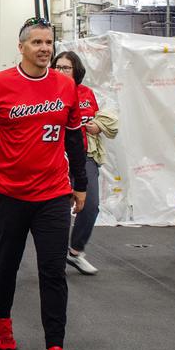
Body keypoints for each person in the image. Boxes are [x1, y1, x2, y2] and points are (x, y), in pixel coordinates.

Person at [0, 18, 87, 350]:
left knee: (53, 272)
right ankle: (3, 323)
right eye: (36, 42)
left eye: (48, 42)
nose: (44, 48)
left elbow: (75, 139)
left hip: (53, 194)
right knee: (7, 265)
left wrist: (80, 184)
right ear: (21, 47)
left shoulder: (66, 86)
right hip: (10, 195)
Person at [52, 51, 117, 276]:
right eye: (57, 67)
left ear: (76, 70)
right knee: (56, 210)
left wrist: (98, 126)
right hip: (55, 156)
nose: (61, 71)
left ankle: (75, 250)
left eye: (66, 67)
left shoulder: (86, 93)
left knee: (90, 205)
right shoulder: (47, 92)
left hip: (85, 155)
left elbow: (95, 116)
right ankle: (55, 256)